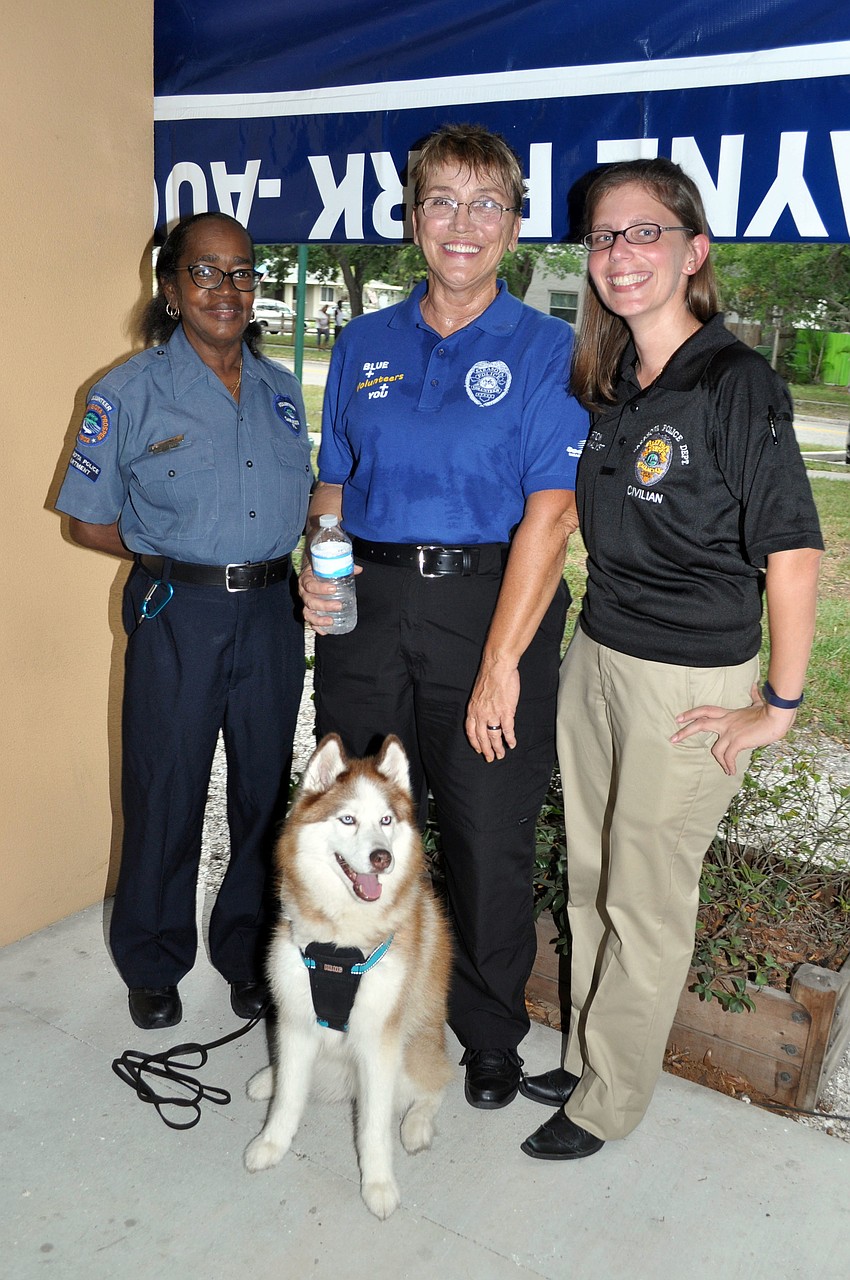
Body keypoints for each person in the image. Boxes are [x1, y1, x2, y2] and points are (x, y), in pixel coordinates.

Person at [519, 158, 823, 1160]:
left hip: (688, 683)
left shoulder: (735, 381)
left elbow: (792, 553)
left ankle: (608, 1099)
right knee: (593, 871)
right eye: (604, 237)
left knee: (644, 895)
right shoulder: (613, 381)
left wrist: (774, 705)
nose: (619, 254)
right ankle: (591, 1048)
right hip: (599, 652)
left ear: (693, 252)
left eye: (643, 232)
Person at [298, 123, 588, 1110]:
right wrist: (318, 564)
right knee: (357, 815)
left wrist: (502, 661)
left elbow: (551, 514)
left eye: (485, 204)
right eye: (441, 202)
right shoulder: (364, 342)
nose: (461, 223)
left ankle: (489, 1029)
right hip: (366, 609)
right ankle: (350, 998)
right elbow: (333, 481)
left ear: (513, 225)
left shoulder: (552, 348)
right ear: (411, 217)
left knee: (484, 829)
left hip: (490, 606)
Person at [55, 212, 312, 1030]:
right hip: (179, 611)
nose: (226, 289)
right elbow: (86, 520)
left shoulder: (278, 392)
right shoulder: (126, 391)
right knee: (165, 786)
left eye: (241, 273)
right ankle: (154, 959)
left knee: (265, 791)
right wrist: (174, 553)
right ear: (170, 289)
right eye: (206, 272)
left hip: (273, 611)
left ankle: (246, 954)